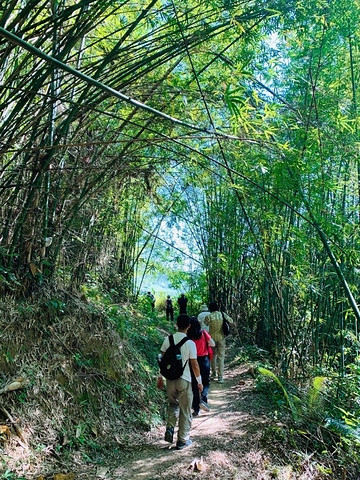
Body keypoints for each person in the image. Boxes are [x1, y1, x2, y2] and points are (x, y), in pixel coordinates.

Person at [157, 314, 203, 450]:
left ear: (176, 324)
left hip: (170, 380)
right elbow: (194, 365)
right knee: (185, 410)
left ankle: (170, 427)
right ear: (189, 326)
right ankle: (182, 440)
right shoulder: (190, 343)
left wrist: (160, 377)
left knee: (172, 405)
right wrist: (199, 382)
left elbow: (163, 362)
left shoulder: (167, 339)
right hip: (185, 380)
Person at [187, 316, 215, 416]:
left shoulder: (188, 336)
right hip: (204, 360)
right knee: (206, 381)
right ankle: (203, 398)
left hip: (192, 361)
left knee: (194, 384)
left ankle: (196, 409)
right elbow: (213, 344)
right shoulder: (203, 333)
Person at [204, 301, 234, 383]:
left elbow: (205, 323)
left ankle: (214, 373)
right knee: (221, 357)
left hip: (212, 339)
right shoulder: (222, 314)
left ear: (210, 308)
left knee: (212, 356)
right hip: (221, 338)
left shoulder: (209, 316)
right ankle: (220, 377)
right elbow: (231, 321)